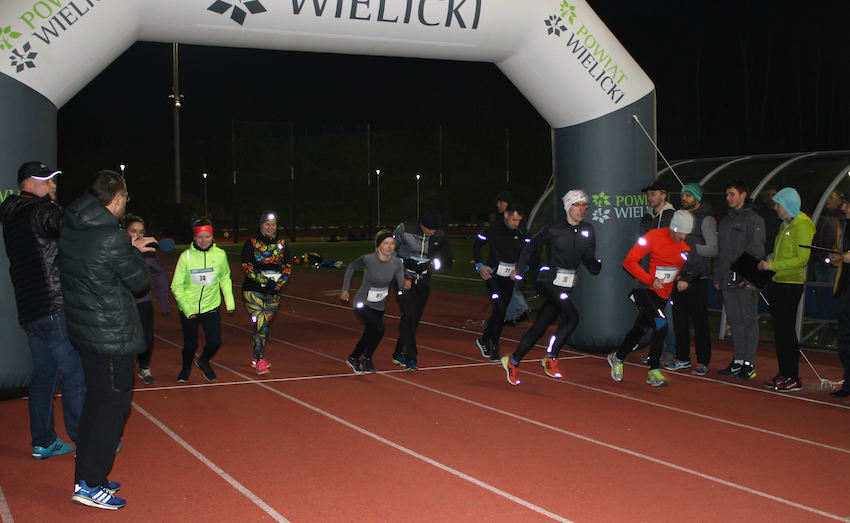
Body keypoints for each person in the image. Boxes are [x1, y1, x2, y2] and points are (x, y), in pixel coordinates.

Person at [59, 169, 156, 509]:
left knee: (95, 405)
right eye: (125, 198)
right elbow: (138, 281)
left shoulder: (73, 227)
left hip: (86, 330)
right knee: (112, 410)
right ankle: (90, 483)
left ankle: (86, 477)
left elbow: (98, 266)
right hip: (110, 334)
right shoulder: (110, 237)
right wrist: (133, 251)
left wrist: (125, 247)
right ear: (116, 199)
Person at [0, 161, 85, 460]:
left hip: (30, 311)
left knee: (44, 376)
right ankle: (85, 441)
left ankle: (44, 441)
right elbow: (77, 230)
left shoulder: (12, 214)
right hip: (53, 306)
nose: (53, 186)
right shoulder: (42, 210)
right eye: (46, 181)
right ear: (28, 184)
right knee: (75, 373)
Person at [500, 191, 600, 385]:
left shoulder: (588, 230)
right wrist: (519, 270)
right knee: (572, 318)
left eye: (584, 205)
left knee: (540, 326)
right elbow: (529, 247)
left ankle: (513, 360)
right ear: (568, 207)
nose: (581, 209)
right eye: (577, 205)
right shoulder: (553, 230)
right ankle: (551, 357)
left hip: (566, 285)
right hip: (547, 281)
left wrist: (593, 264)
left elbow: (588, 256)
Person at [607, 210, 693, 387]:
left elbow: (679, 269)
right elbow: (628, 261)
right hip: (644, 288)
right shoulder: (652, 237)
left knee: (639, 330)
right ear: (674, 227)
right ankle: (654, 370)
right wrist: (650, 280)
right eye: (682, 232)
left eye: (687, 233)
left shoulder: (685, 247)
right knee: (661, 325)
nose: (684, 237)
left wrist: (681, 281)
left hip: (662, 294)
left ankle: (618, 357)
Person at [758, 188, 815, 392]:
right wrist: (771, 257)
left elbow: (802, 258)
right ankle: (784, 373)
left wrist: (772, 266)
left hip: (790, 284)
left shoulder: (803, 224)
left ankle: (793, 376)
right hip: (777, 282)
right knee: (780, 331)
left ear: (788, 204)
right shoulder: (785, 225)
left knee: (787, 331)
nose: (775, 208)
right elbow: (781, 252)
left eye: (778, 204)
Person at [171, 218, 235, 383]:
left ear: (212, 237)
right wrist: (187, 309)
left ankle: (203, 361)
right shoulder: (186, 257)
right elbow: (176, 286)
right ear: (194, 237)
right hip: (189, 306)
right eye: (200, 237)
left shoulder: (220, 255)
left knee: (215, 341)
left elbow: (225, 279)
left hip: (211, 305)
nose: (204, 240)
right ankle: (185, 369)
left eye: (207, 236)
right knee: (190, 345)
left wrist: (229, 302)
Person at [713, 180, 766, 380]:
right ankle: (737, 361)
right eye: (727, 194)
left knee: (748, 321)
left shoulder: (754, 219)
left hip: (745, 281)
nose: (728, 198)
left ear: (743, 195)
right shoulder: (725, 221)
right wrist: (718, 276)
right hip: (727, 279)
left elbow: (756, 251)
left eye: (732, 194)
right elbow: (720, 252)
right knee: (734, 321)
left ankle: (749, 364)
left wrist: (752, 279)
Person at [663, 183, 718, 375]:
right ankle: (682, 358)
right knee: (680, 319)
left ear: (697, 197)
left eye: (688, 195)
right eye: (682, 195)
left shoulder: (706, 219)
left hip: (698, 277)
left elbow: (713, 248)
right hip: (678, 275)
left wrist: (692, 248)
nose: (684, 198)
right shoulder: (679, 216)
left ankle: (703, 361)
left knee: (700, 320)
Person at [391, 210, 453, 370]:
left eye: (435, 229)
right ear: (421, 224)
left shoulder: (440, 234)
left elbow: (448, 258)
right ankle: (410, 358)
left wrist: (430, 265)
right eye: (429, 229)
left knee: (412, 319)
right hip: (403, 279)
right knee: (410, 313)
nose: (432, 232)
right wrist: (404, 266)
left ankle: (398, 352)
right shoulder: (405, 229)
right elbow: (387, 250)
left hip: (423, 282)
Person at [472, 202, 534, 363]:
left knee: (499, 312)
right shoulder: (492, 230)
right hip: (492, 276)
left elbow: (531, 254)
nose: (516, 223)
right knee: (500, 308)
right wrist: (480, 266)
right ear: (506, 214)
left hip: (509, 278)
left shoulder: (523, 232)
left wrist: (522, 269)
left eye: (519, 220)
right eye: (514, 219)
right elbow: (476, 246)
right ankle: (495, 347)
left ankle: (484, 340)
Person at [340, 230, 409, 373]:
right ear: (378, 246)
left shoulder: (396, 263)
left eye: (392, 243)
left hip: (379, 306)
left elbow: (401, 285)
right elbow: (351, 267)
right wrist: (345, 289)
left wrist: (406, 285)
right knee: (379, 329)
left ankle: (353, 358)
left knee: (369, 335)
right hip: (362, 303)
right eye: (386, 243)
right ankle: (367, 359)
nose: (390, 247)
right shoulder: (368, 259)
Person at [123, 214, 171, 385]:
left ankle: (144, 366)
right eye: (133, 231)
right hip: (123, 302)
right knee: (125, 337)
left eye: (141, 232)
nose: (138, 235)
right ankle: (126, 366)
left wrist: (164, 304)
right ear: (124, 232)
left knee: (147, 336)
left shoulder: (149, 252)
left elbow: (159, 276)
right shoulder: (118, 252)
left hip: (143, 300)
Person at [241, 211, 291, 375]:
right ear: (261, 225)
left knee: (264, 327)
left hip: (274, 292)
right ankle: (260, 360)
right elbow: (247, 268)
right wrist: (266, 282)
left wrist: (280, 283)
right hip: (253, 290)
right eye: (267, 224)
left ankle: (256, 357)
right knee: (261, 324)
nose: (270, 227)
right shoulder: (251, 243)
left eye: (273, 224)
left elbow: (287, 267)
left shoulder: (282, 244)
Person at [637, 181, 677, 365]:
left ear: (663, 195)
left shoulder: (672, 216)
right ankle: (656, 351)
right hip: (648, 274)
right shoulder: (647, 217)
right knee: (653, 314)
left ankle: (670, 351)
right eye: (648, 194)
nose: (650, 197)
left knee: (667, 314)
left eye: (653, 194)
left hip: (665, 274)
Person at [494, 191, 532, 326]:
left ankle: (524, 310)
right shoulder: (503, 221)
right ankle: (511, 316)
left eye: (501, 202)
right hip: (509, 259)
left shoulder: (516, 223)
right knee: (507, 287)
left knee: (510, 286)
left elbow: (522, 241)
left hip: (515, 259)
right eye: (498, 202)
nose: (498, 205)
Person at [828, 198, 850, 399]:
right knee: (844, 336)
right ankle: (848, 382)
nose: (843, 208)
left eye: (847, 204)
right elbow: (840, 251)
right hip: (845, 286)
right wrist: (837, 256)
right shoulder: (843, 225)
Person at [813, 189, 844, 320]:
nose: (828, 200)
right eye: (827, 197)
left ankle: (834, 319)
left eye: (832, 197)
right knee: (821, 291)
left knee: (832, 290)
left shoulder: (841, 218)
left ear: (839, 201)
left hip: (834, 260)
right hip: (819, 258)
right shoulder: (820, 215)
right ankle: (823, 319)